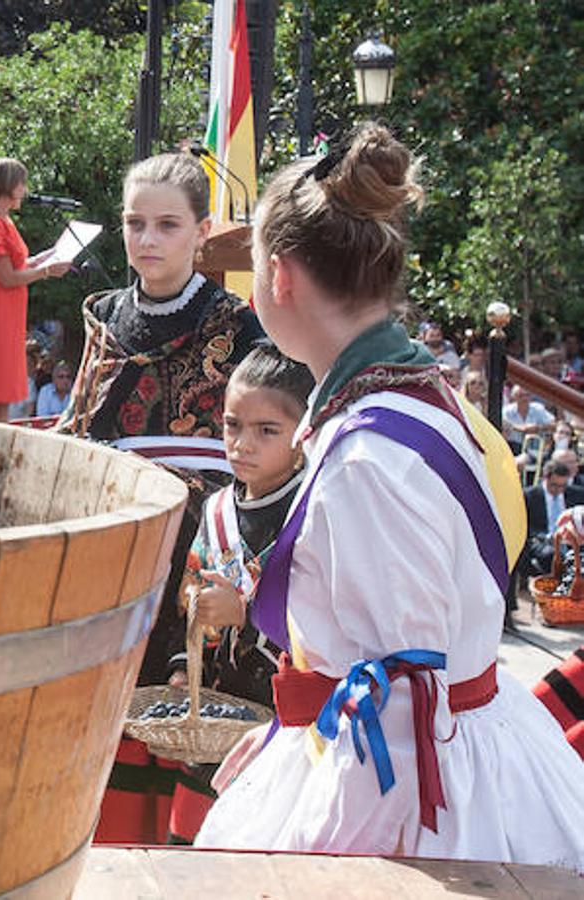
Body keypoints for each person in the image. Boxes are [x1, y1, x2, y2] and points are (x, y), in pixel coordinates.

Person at [193, 123, 584, 867]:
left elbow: (400, 700)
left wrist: (320, 842)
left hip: (416, 779)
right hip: (451, 744)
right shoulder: (417, 394)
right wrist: (296, 731)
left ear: (278, 278)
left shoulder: (364, 457)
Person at [68, 152, 265, 847]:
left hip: (200, 541)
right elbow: (83, 427)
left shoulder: (240, 328)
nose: (146, 239)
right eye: (133, 223)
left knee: (185, 703)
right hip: (117, 538)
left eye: (166, 225)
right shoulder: (101, 320)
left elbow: (261, 448)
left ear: (200, 231)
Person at [163, 346, 314, 843]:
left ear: (302, 436)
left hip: (286, 725)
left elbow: (327, 622)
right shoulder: (216, 509)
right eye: (232, 426)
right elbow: (187, 590)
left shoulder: (314, 511)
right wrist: (183, 665)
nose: (242, 444)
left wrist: (247, 618)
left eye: (266, 430)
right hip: (216, 717)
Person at [0, 158, 72, 421]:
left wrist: (44, 258)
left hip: (6, 311)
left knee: (2, 394)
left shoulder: (2, 219)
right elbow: (6, 278)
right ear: (7, 185)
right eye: (20, 184)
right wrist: (47, 271)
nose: (24, 190)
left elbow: (15, 265)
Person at [521, 459, 584, 582]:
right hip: (542, 541)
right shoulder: (529, 495)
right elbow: (525, 528)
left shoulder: (577, 494)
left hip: (571, 541)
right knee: (552, 556)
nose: (559, 490)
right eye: (554, 485)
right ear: (545, 478)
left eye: (563, 486)